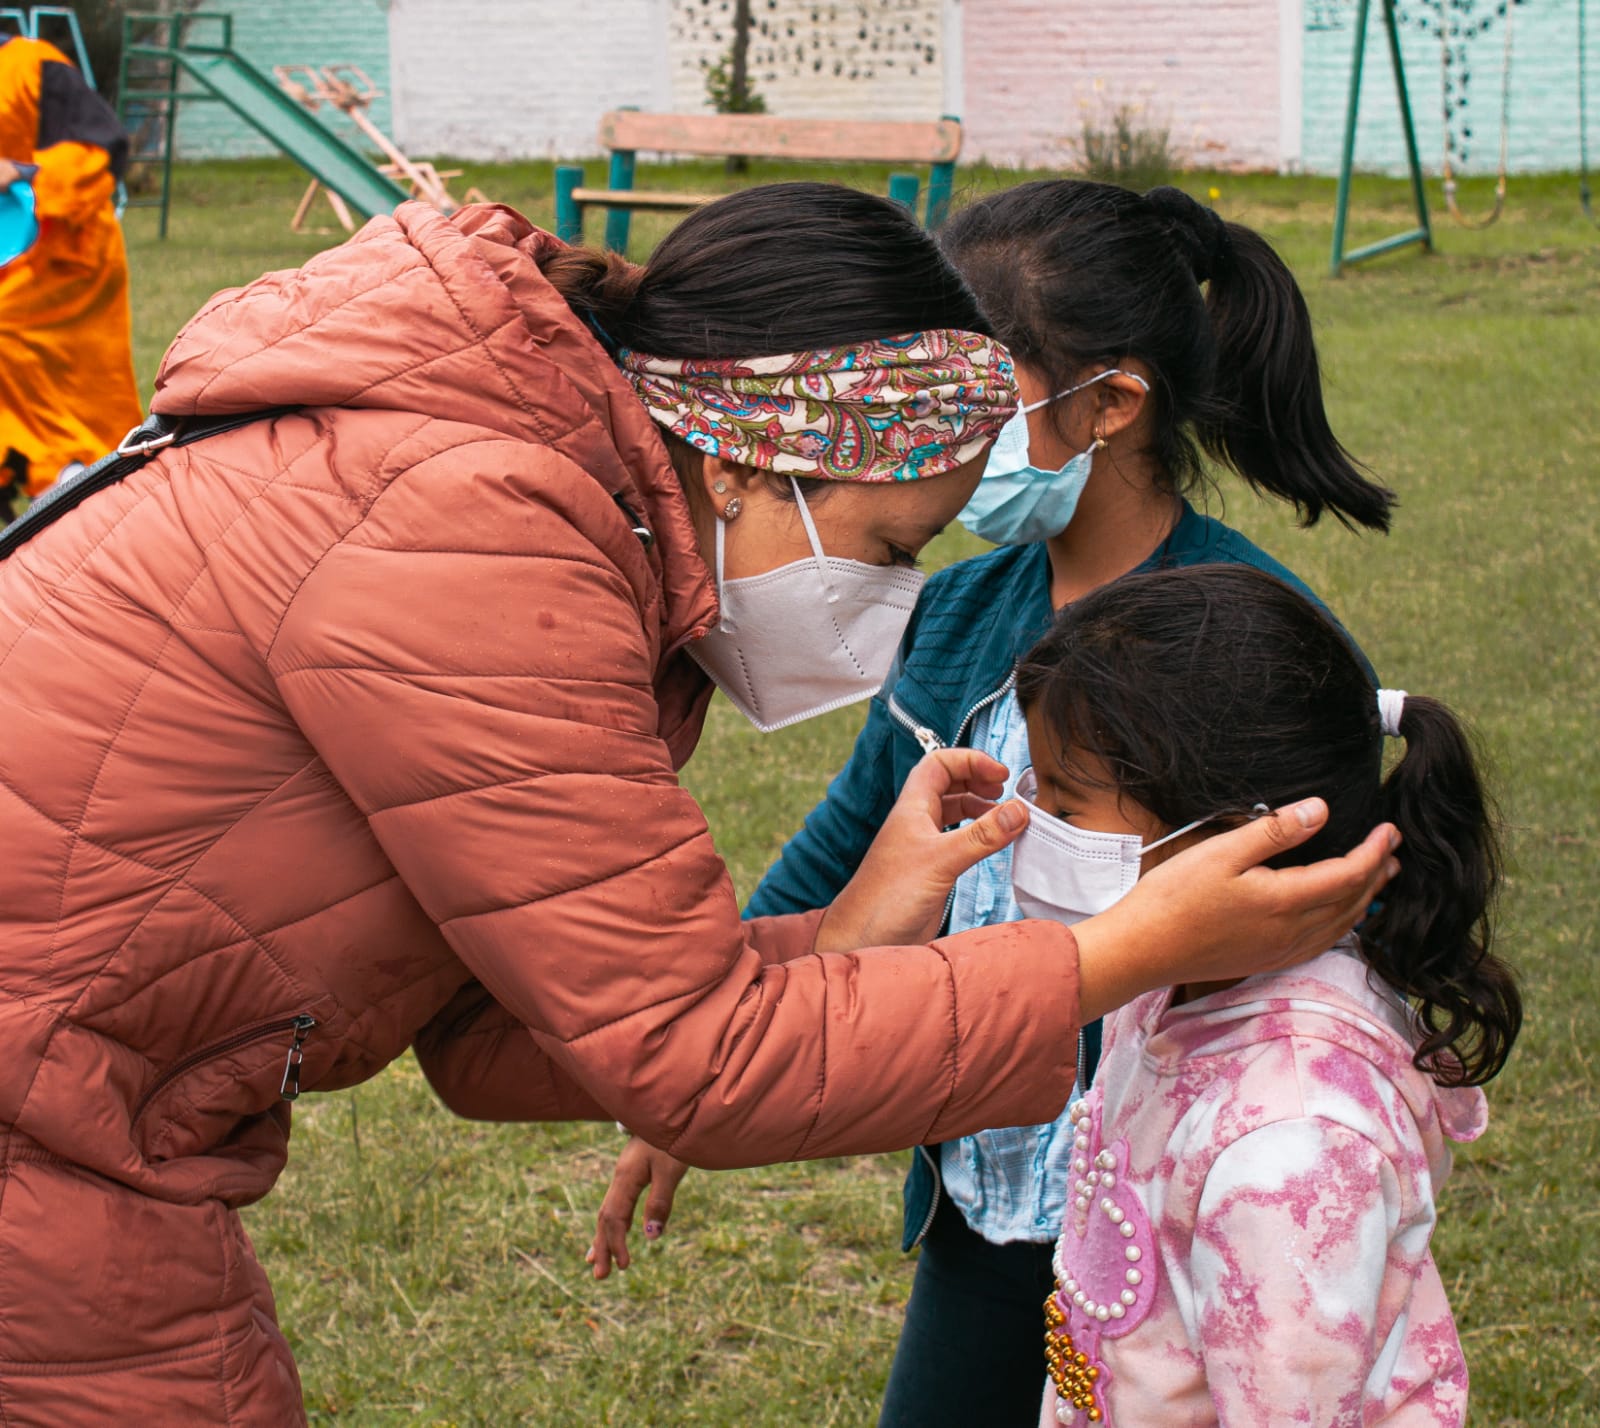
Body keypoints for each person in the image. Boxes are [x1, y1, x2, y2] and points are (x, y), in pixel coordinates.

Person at [0, 183, 1395, 1422]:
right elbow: (693, 1058)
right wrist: (1119, 955)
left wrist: (852, 928)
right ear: (744, 458)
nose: (897, 600)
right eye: (890, 545)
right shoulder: (475, 539)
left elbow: (502, 1029)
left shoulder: (510, 500)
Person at [591, 181, 1395, 1424]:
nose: (943, 425)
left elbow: (1308, 919)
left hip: (1168, 1193)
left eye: (981, 391)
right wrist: (704, 1072)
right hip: (987, 1181)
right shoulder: (956, 610)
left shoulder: (1241, 637)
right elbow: (843, 848)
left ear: (1112, 403)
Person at [1021, 564, 1519, 1426]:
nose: (1031, 823)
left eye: (1068, 804)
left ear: (1231, 836)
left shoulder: (1292, 1140)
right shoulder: (1182, 969)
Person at [0, 33, 140, 517]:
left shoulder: (31, 65)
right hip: (8, 254)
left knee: (77, 388)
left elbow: (102, 151)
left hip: (67, 249)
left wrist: (18, 171)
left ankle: (70, 478)